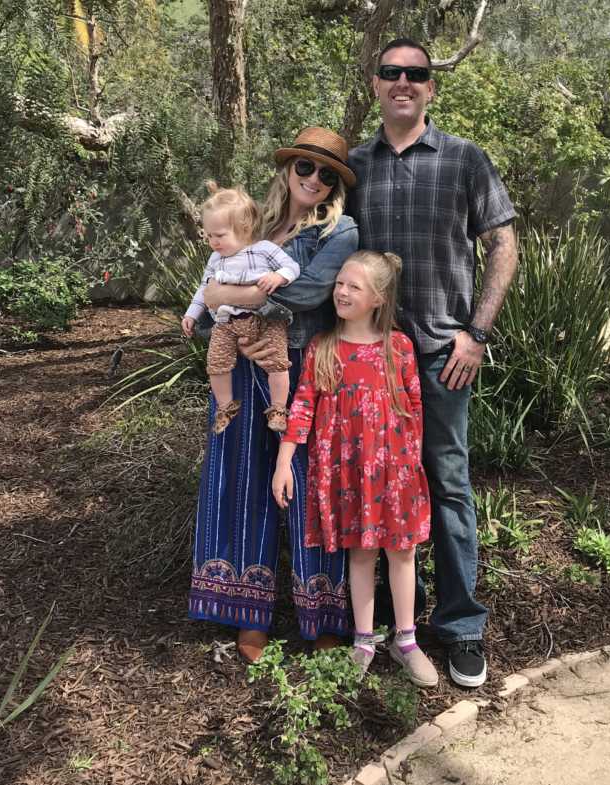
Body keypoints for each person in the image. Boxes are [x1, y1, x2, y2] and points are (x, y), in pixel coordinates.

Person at [347, 38, 519, 688]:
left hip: (446, 356)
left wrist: (477, 332)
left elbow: (504, 247)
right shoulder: (355, 166)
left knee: (446, 484)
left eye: (415, 74)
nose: (403, 82)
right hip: (372, 361)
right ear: (375, 84)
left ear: (430, 88)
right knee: (373, 490)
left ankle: (461, 628)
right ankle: (389, 627)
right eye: (391, 72)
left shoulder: (465, 159)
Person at [188, 127, 359, 663]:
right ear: (288, 170)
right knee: (242, 480)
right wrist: (211, 302)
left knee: (312, 486)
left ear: (336, 185)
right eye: (304, 168)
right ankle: (246, 611)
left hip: (303, 368)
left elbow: (311, 293)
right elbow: (208, 299)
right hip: (239, 370)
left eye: (326, 174)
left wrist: (224, 294)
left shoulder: (341, 230)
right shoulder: (255, 223)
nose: (313, 179)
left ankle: (325, 614)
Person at [272, 251, 439, 688]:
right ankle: (364, 641)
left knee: (402, 554)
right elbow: (303, 404)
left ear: (378, 298)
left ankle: (407, 640)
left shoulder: (397, 346)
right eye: (340, 283)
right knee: (360, 553)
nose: (342, 292)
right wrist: (285, 459)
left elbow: (415, 408)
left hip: (393, 472)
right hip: (345, 473)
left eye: (354, 286)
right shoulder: (323, 347)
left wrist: (410, 465)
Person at [182, 183, 300, 434]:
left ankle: (279, 408)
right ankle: (225, 407)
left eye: (219, 235)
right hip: (227, 323)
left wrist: (279, 277)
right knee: (216, 362)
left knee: (278, 362)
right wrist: (192, 313)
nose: (213, 242)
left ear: (244, 227)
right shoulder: (216, 259)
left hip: (265, 319)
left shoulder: (264, 250)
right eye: (209, 236)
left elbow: (292, 267)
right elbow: (204, 289)